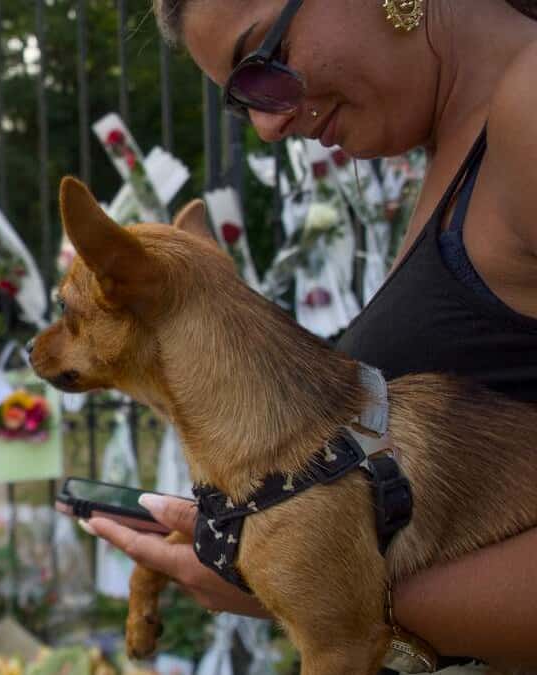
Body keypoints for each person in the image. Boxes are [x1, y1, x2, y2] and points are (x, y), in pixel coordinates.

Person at [80, 0, 537, 669]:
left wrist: (304, 580)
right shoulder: (462, 138)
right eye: (243, 103)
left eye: (263, 62)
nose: (268, 125)